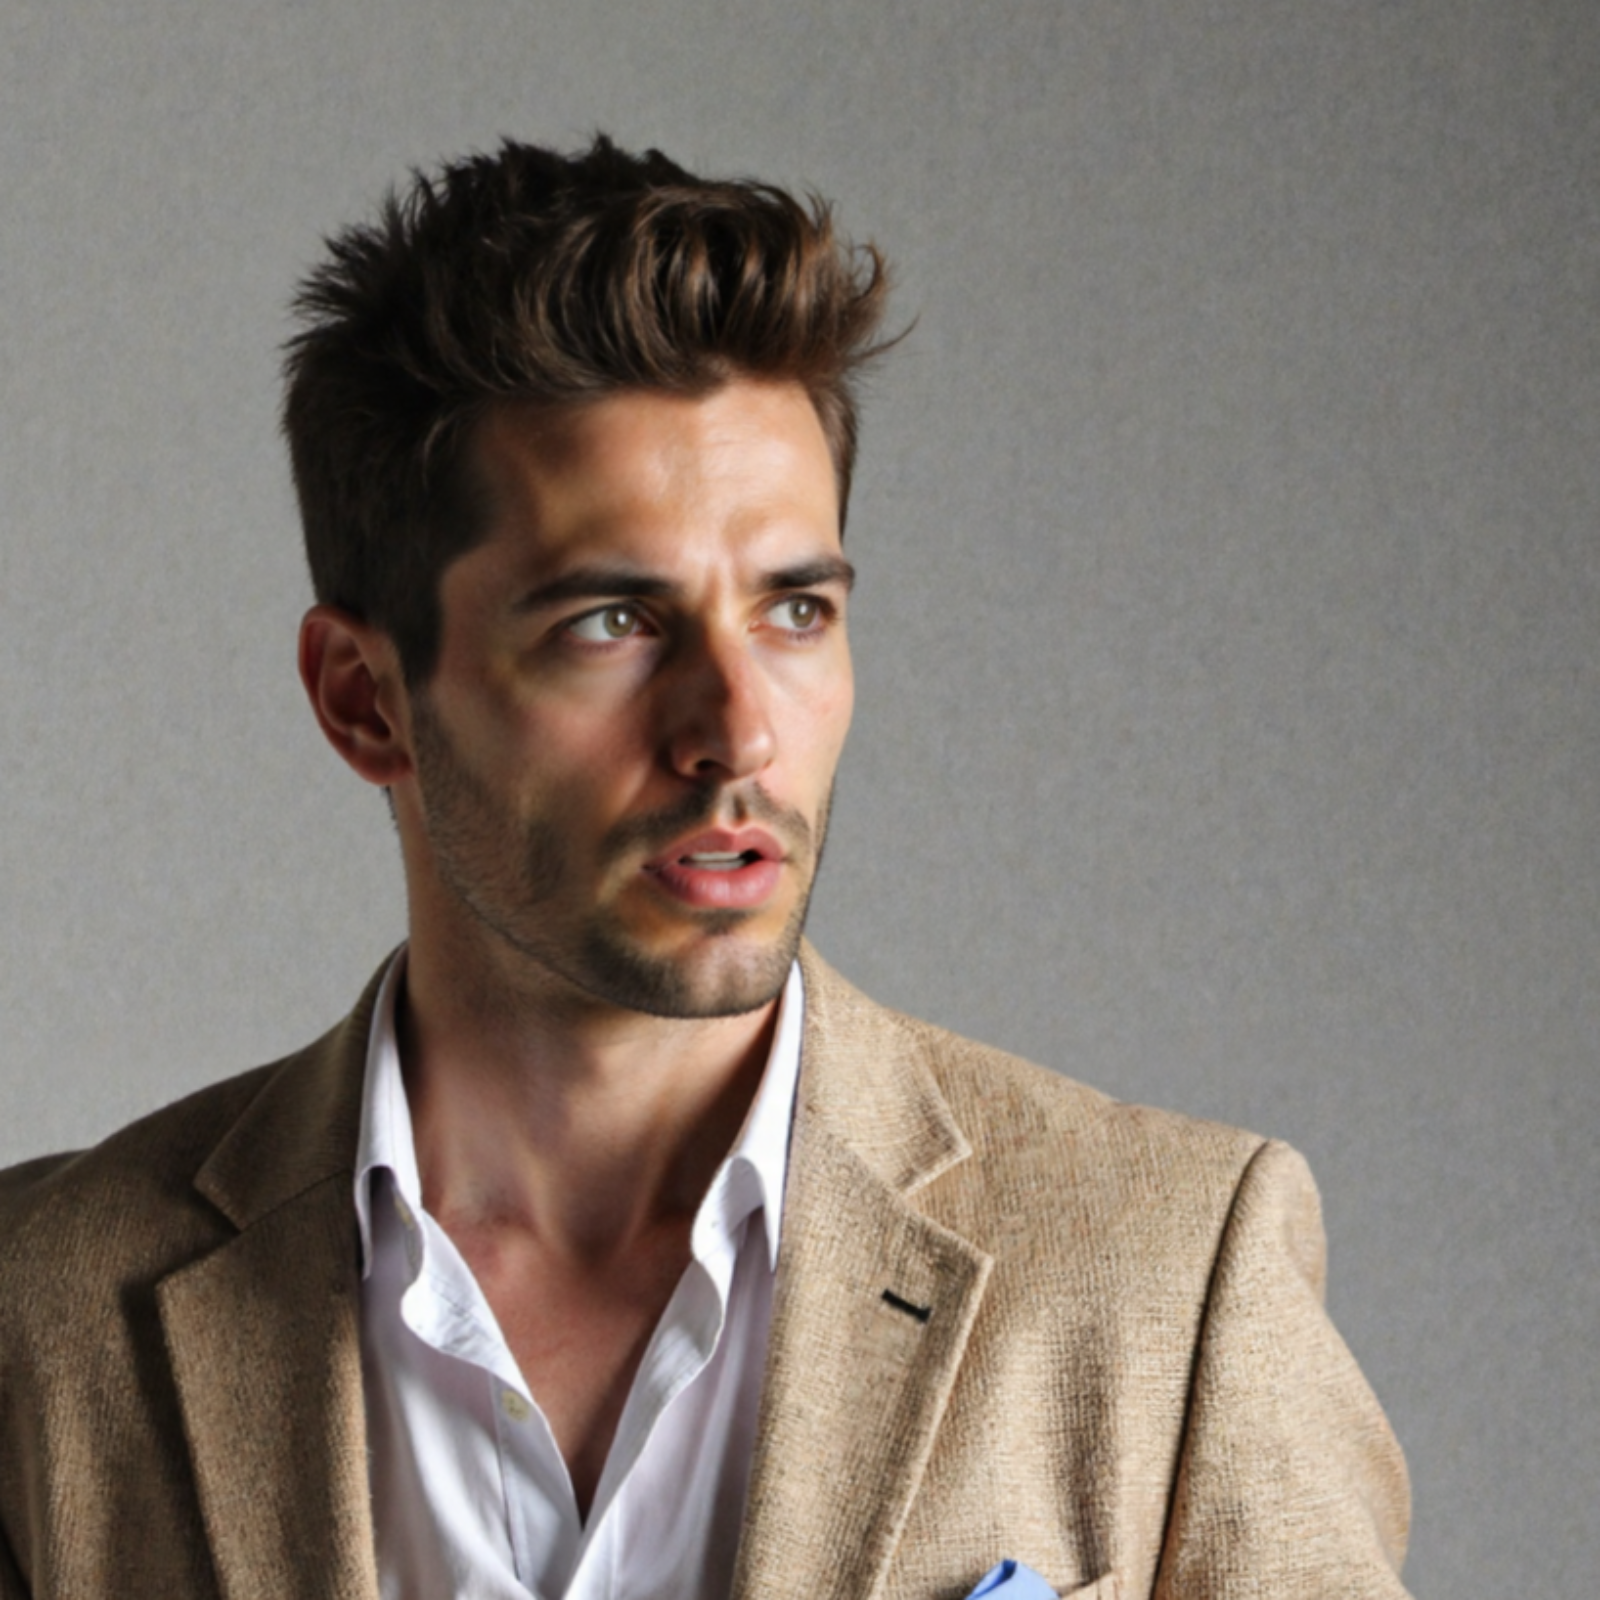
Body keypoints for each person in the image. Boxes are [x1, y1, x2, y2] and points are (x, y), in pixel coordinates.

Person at [0, 137, 1412, 1600]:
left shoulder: (1167, 1279)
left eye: (795, 612)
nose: (737, 732)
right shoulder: (43, 1317)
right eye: (612, 624)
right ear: (367, 701)